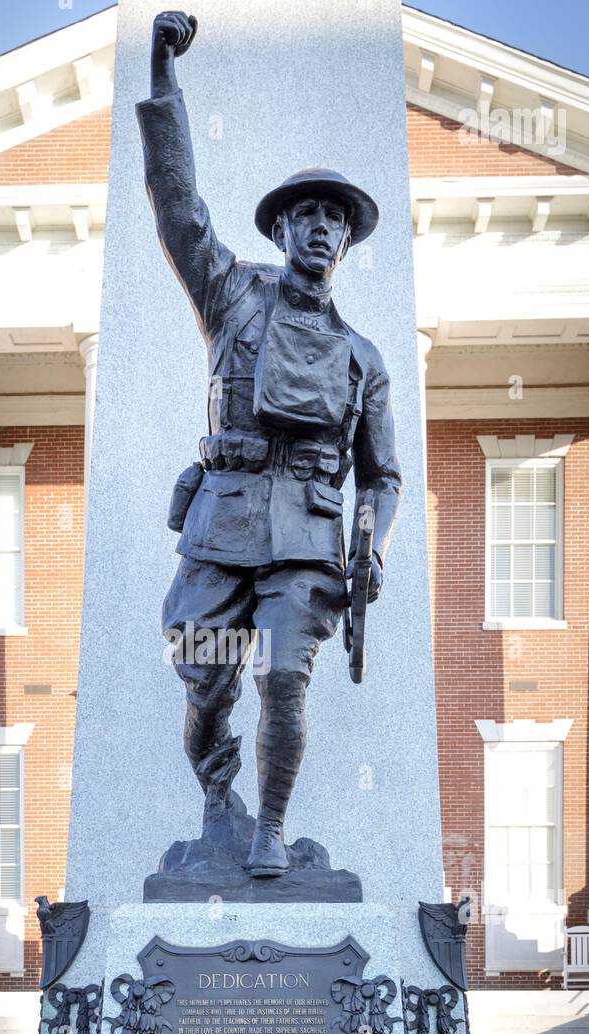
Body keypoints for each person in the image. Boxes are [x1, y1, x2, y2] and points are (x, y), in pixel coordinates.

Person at [140, 11, 401, 877]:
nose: (321, 227)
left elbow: (383, 476)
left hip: (307, 540)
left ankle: (271, 831)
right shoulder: (230, 296)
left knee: (283, 677)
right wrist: (163, 77)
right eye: (306, 215)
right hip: (220, 527)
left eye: (335, 218)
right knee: (205, 679)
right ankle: (220, 797)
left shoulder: (363, 358)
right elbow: (177, 207)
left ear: (347, 240)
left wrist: (372, 545)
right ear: (281, 231)